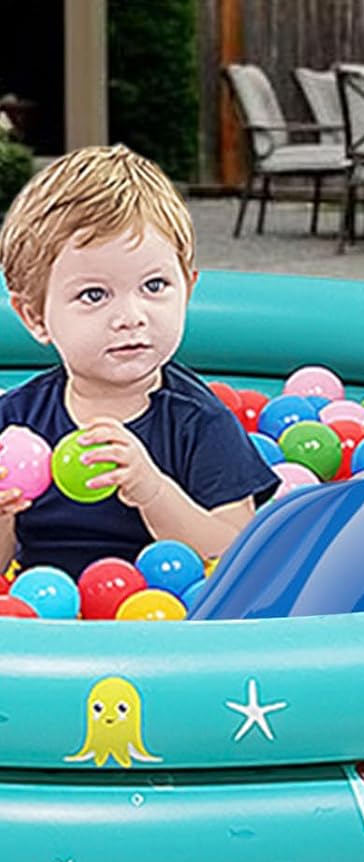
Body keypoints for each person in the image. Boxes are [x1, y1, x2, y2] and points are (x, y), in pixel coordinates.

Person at [0, 144, 277, 580]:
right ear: (34, 316)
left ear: (187, 290)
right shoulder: (15, 420)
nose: (131, 316)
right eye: (94, 294)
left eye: (154, 285)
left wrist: (152, 491)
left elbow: (237, 550)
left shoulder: (199, 421)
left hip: (164, 611)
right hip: (46, 612)